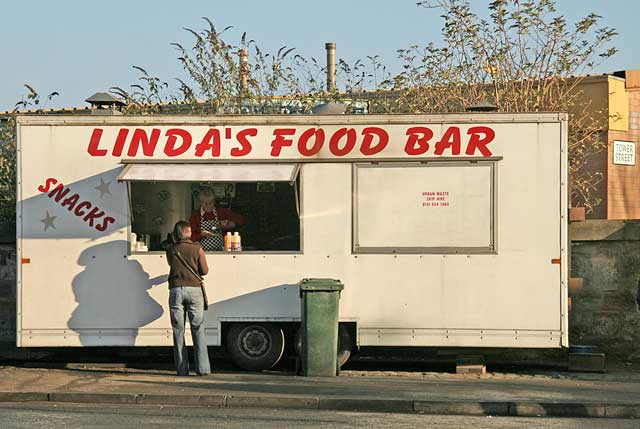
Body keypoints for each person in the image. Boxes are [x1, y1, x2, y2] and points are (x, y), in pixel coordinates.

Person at [166, 220, 210, 376]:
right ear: (189, 233)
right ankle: (203, 369)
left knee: (178, 330)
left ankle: (182, 370)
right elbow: (204, 271)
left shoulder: (170, 249)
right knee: (197, 328)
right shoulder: (197, 248)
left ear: (176, 234)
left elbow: (171, 264)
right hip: (194, 291)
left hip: (176, 290)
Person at [189, 187, 245, 251]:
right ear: (201, 202)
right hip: (203, 253)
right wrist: (201, 234)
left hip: (221, 252)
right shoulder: (195, 216)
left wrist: (230, 223)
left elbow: (241, 220)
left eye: (210, 203)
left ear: (214, 201)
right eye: (205, 203)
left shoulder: (221, 212)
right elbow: (189, 237)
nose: (208, 205)